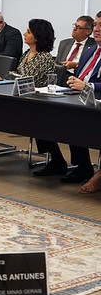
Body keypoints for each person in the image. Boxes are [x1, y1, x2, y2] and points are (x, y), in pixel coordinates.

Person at [0, 19, 56, 165]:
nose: (25, 34)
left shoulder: (45, 57)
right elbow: (17, 74)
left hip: (33, 102)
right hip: (17, 96)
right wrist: (5, 77)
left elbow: (29, 80)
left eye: (29, 32)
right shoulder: (27, 54)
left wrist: (11, 76)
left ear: (38, 36)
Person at [33, 14, 100, 181]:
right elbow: (81, 75)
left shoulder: (90, 48)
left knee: (72, 119)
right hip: (75, 94)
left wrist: (88, 86)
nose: (97, 29)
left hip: (94, 101)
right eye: (97, 25)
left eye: (100, 26)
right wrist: (74, 82)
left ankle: (83, 167)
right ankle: (56, 160)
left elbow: (90, 83)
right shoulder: (92, 51)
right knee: (38, 113)